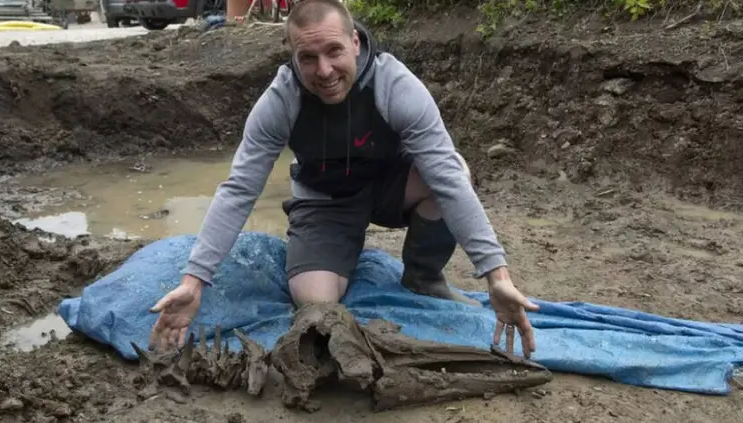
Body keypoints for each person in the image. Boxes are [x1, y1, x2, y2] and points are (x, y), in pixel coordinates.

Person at [148, 0, 540, 358]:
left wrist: (496, 276)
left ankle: (423, 275)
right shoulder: (281, 100)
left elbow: (449, 181)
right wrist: (194, 281)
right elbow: (239, 189)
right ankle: (336, 254)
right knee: (316, 306)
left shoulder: (395, 85)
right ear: (294, 57)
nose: (324, 71)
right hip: (325, 201)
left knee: (454, 170)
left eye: (334, 51)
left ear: (354, 42)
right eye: (308, 57)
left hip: (391, 188)